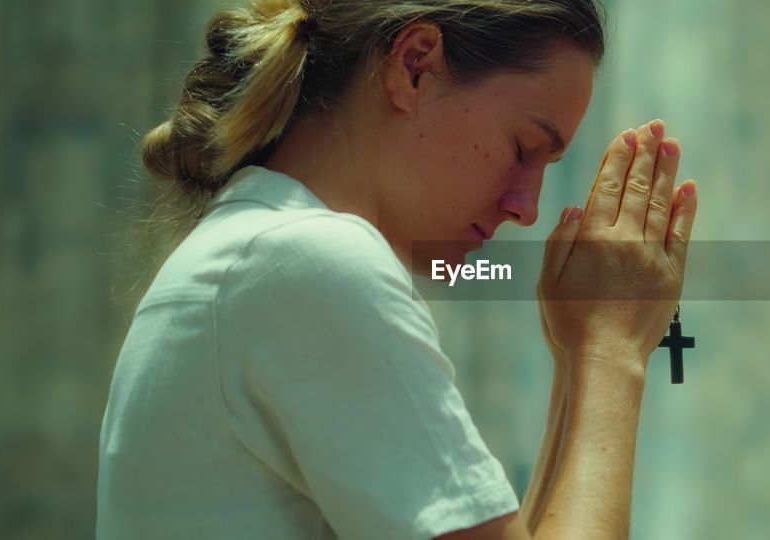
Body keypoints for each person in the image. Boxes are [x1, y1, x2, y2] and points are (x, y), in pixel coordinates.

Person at [96, 0, 698, 538]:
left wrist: (578, 353)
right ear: (414, 65)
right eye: (523, 148)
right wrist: (613, 351)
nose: (527, 207)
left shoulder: (261, 246)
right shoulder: (309, 263)